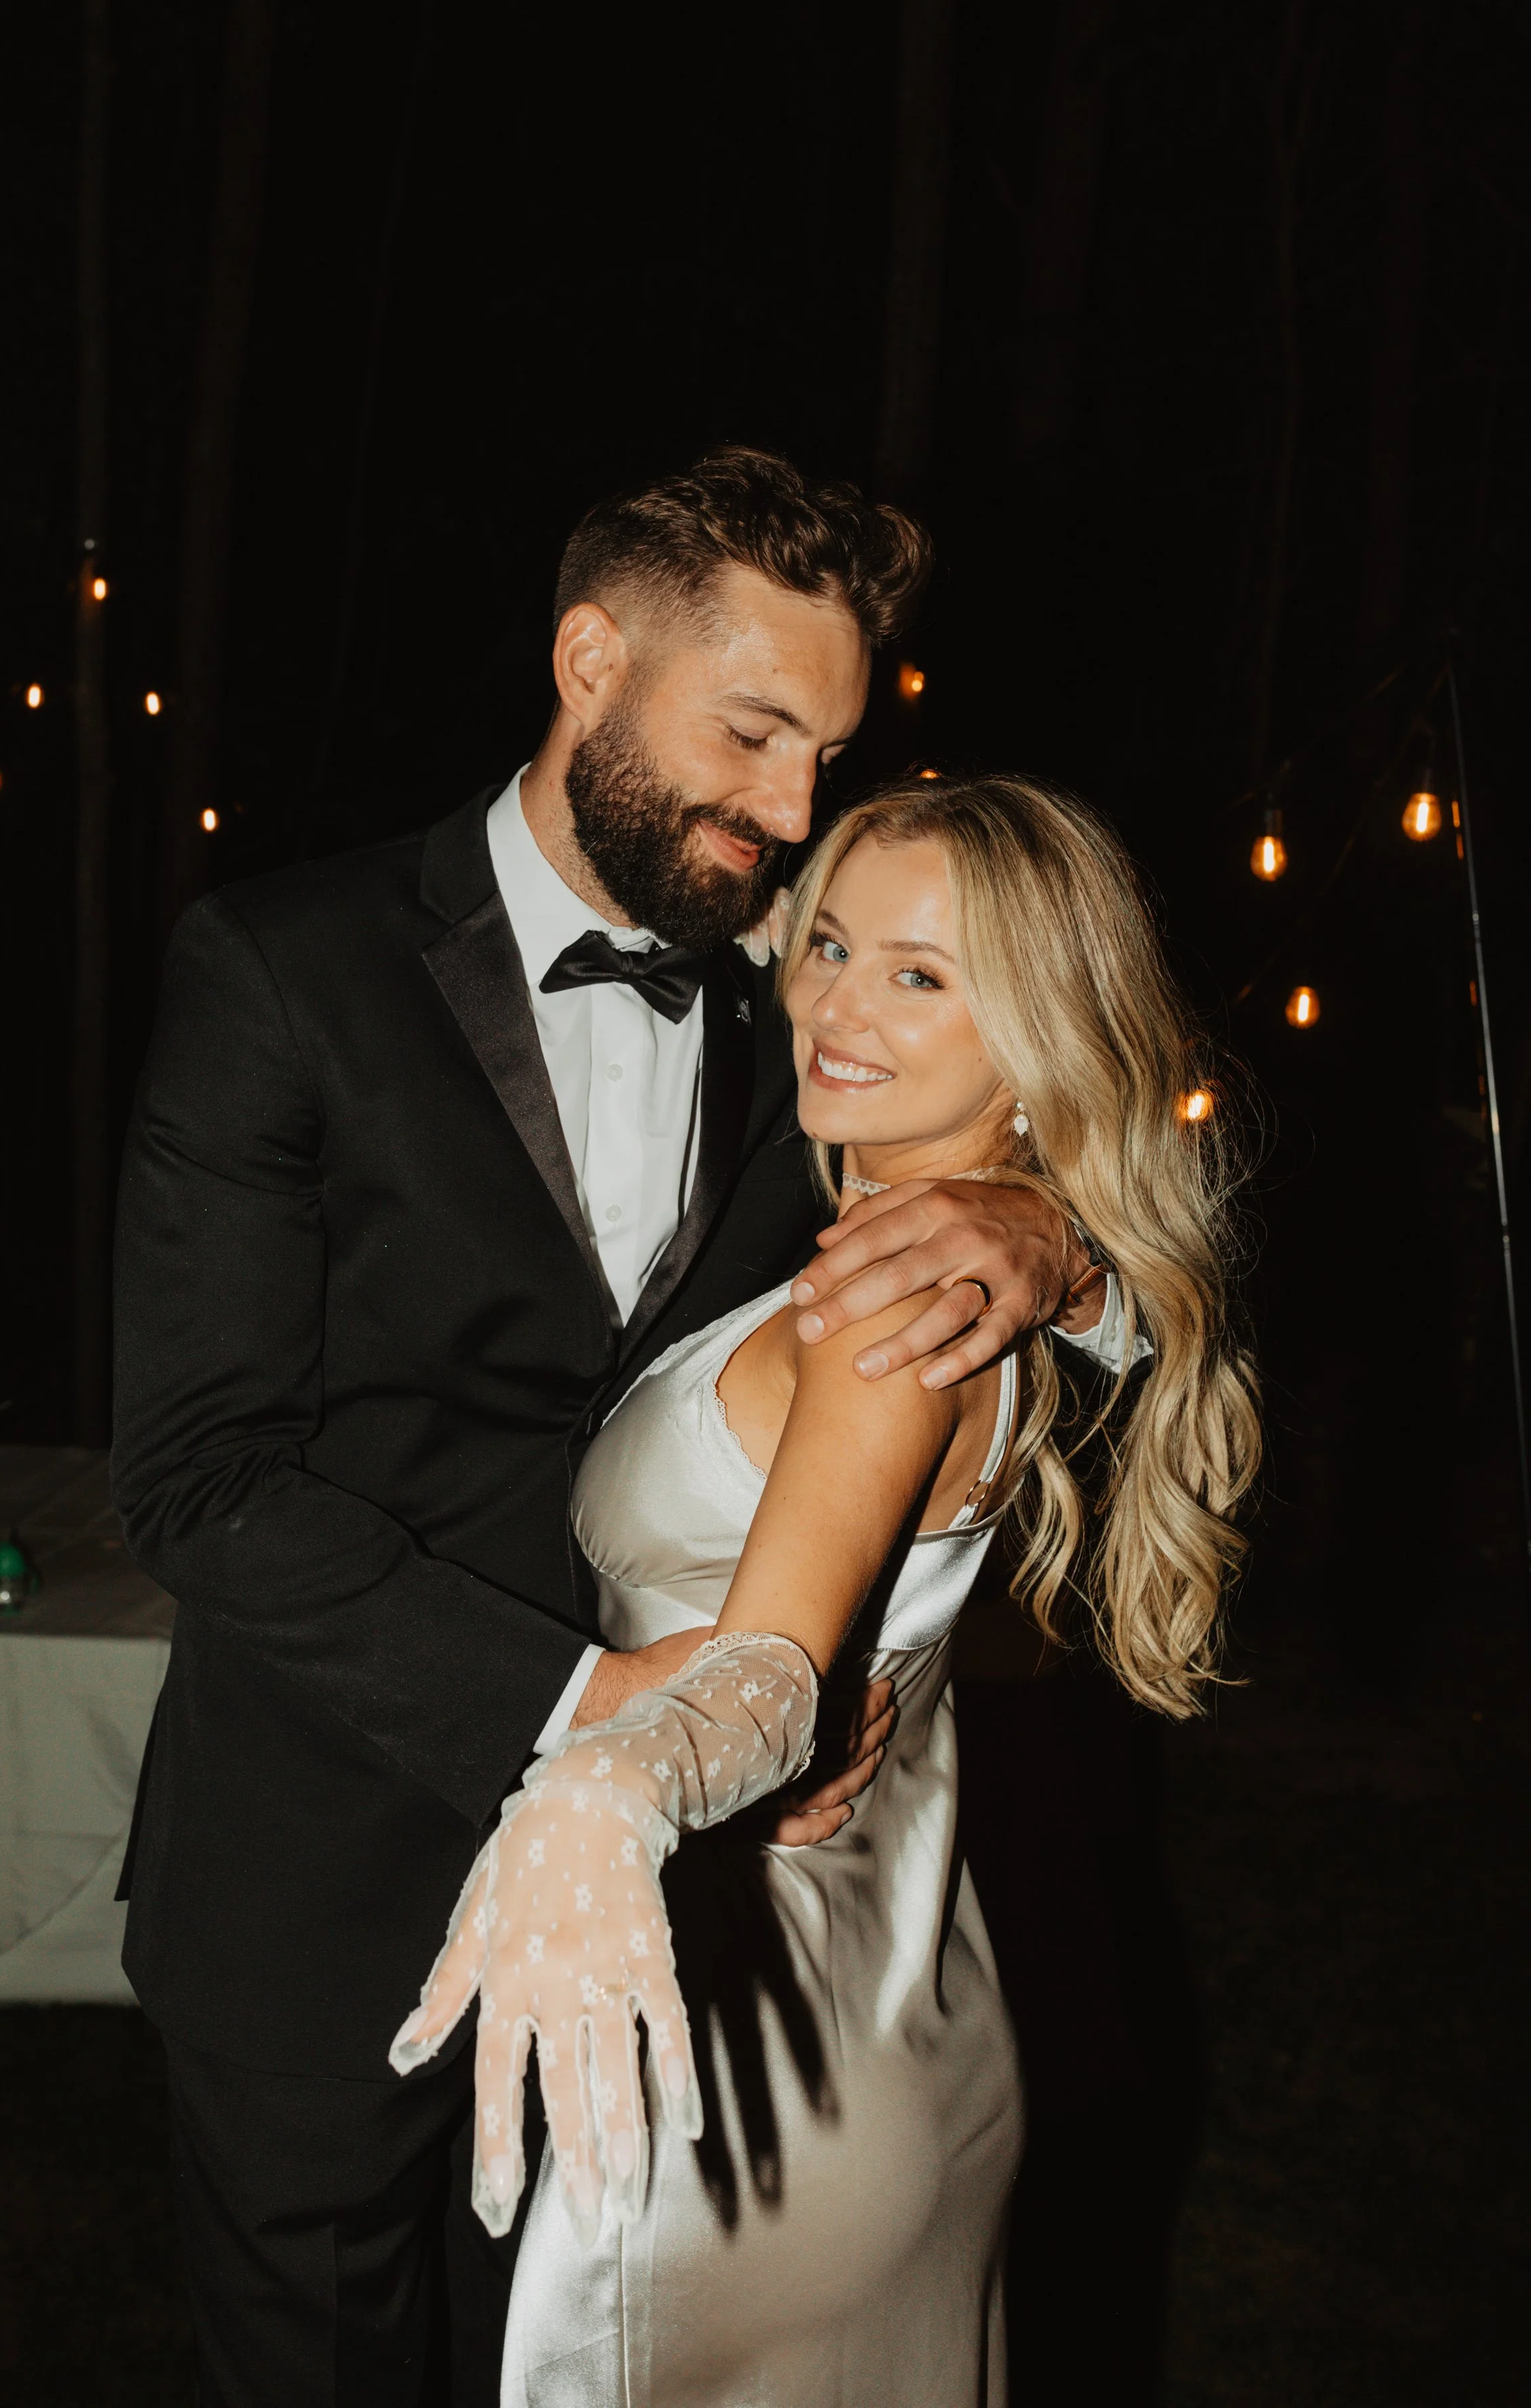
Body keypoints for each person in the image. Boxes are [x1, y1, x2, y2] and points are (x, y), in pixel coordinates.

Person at [110, 450, 1113, 2407]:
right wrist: (616, 1709)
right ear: (589, 659)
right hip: (315, 1882)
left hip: (682, 1937)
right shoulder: (281, 967)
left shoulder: (799, 1009)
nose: (792, 808)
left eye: (824, 750)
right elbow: (197, 1474)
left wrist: (1056, 1232)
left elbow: (1097, 1061)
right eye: (752, 731)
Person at [399, 773, 1260, 2407]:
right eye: (832, 947)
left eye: (919, 975)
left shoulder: (898, 1309)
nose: (838, 1009)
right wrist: (1057, 1222)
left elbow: (765, 1678)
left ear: (1037, 1030)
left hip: (741, 2054)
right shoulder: (908, 1249)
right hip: (893, 2002)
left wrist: (599, 1795)